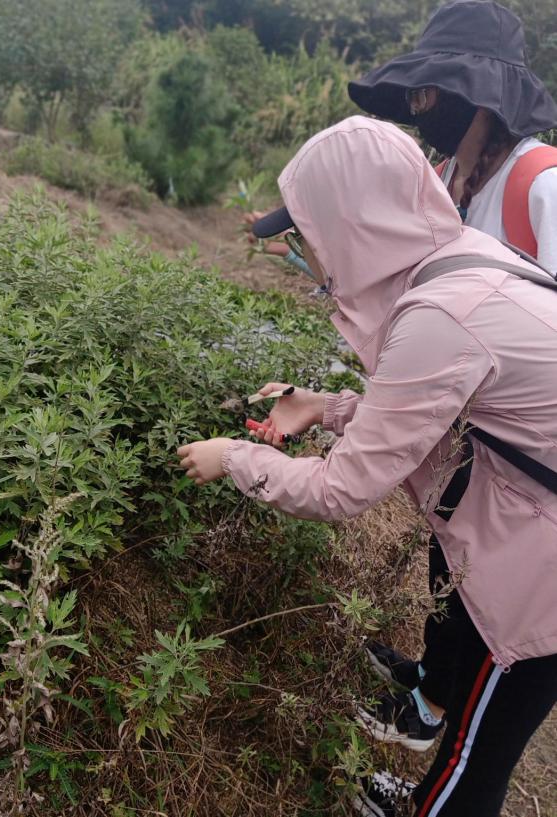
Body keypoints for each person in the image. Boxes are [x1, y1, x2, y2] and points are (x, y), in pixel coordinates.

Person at [177, 115, 557, 816]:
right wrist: (322, 406)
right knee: (470, 728)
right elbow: (438, 419)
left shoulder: (443, 313)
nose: (303, 254)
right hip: (531, 527)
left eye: (306, 235)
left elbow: (342, 488)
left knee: (477, 752)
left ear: (350, 227)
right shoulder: (458, 260)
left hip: (544, 574)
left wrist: (233, 457)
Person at [348, 0, 557, 273]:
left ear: (476, 92)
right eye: (412, 98)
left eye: (422, 95)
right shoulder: (438, 182)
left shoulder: (543, 185)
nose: (415, 110)